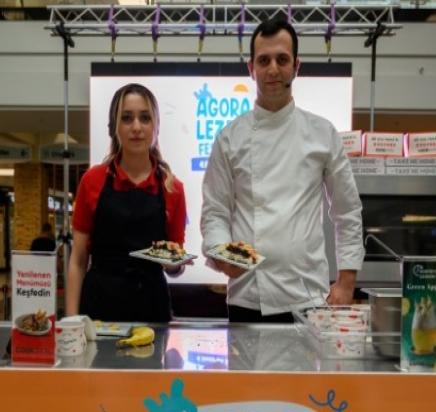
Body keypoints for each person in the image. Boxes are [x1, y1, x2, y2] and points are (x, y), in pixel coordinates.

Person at [200, 18, 364, 323]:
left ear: (296, 66)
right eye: (264, 60)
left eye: (282, 60)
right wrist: (221, 254)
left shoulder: (322, 133)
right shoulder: (229, 138)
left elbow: (347, 211)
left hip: (307, 295)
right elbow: (215, 212)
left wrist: (346, 281)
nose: (273, 69)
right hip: (248, 296)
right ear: (251, 68)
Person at [66, 83, 188, 322]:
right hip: (99, 307)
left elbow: (176, 266)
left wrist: (174, 265)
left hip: (152, 309)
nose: (136, 127)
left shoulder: (173, 189)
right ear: (115, 127)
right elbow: (78, 261)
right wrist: (71, 322)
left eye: (145, 118)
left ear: (156, 127)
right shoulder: (92, 181)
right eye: (127, 118)